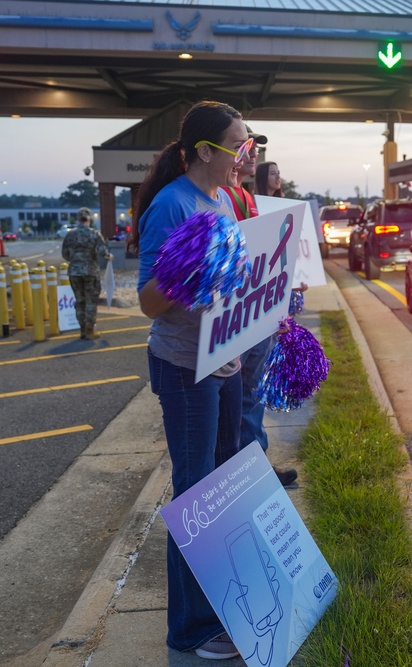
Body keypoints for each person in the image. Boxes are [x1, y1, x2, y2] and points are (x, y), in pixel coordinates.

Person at [133, 100, 251, 661]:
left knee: (223, 487)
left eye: (250, 147)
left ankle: (223, 605)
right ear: (206, 151)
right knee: (195, 496)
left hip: (224, 362)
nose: (245, 158)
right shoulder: (170, 205)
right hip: (185, 369)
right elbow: (148, 303)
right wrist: (186, 268)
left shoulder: (223, 199)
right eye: (239, 147)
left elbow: (226, 279)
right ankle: (191, 630)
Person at [222, 136, 299, 489]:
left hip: (254, 312)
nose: (253, 152)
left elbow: (262, 256)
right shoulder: (219, 195)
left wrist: (277, 300)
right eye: (244, 145)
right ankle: (245, 475)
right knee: (238, 401)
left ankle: (258, 468)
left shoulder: (246, 197)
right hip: (234, 318)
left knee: (251, 396)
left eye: (255, 148)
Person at [61, 206, 111, 340]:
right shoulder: (94, 234)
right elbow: (102, 252)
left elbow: (65, 254)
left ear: (78, 219)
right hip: (90, 271)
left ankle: (82, 329)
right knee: (91, 301)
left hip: (74, 272)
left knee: (79, 300)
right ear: (89, 219)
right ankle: (90, 330)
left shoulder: (70, 234)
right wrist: (108, 256)